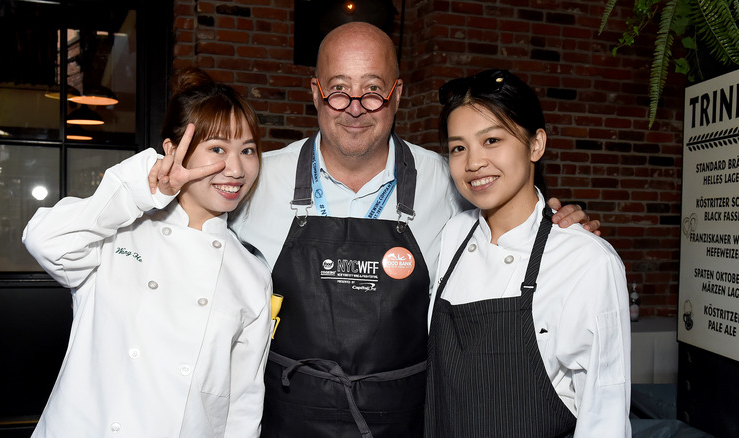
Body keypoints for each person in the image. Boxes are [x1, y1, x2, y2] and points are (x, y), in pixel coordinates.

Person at [230, 22, 600, 438]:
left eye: (373, 89)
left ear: (397, 94)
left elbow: (512, 219)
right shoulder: (255, 181)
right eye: (338, 89)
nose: (355, 107)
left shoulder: (451, 184)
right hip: (285, 419)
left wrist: (556, 228)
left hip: (405, 422)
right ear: (315, 92)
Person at [22, 67, 272, 438]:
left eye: (248, 150)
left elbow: (242, 403)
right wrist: (141, 188)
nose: (235, 169)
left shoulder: (250, 273)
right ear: (174, 151)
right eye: (217, 149)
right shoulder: (118, 232)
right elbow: (45, 240)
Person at [424, 69, 631, 437]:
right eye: (458, 147)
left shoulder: (586, 261)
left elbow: (605, 416)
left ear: (536, 145)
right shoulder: (452, 235)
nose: (473, 162)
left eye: (491, 140)